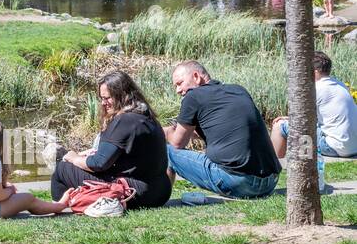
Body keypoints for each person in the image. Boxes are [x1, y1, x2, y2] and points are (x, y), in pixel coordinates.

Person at [51, 71, 172, 209]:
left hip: (136, 193)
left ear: (122, 95)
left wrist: (74, 158)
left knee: (62, 168)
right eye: (101, 98)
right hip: (160, 192)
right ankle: (80, 200)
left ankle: (59, 208)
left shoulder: (124, 120)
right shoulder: (145, 116)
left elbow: (99, 163)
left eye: (107, 98)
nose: (103, 103)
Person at [165, 61, 280, 199]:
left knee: (166, 151)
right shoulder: (238, 90)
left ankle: (162, 199)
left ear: (196, 76)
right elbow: (223, 131)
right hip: (269, 182)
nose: (178, 90)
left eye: (179, 83)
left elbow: (177, 143)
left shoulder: (193, 96)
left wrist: (156, 130)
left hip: (239, 183)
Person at [271, 51, 357, 160]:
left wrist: (286, 119)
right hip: (354, 147)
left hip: (335, 148)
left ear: (315, 72)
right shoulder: (340, 85)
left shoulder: (315, 89)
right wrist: (290, 118)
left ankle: (275, 165)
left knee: (280, 125)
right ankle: (304, 163)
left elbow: (302, 121)